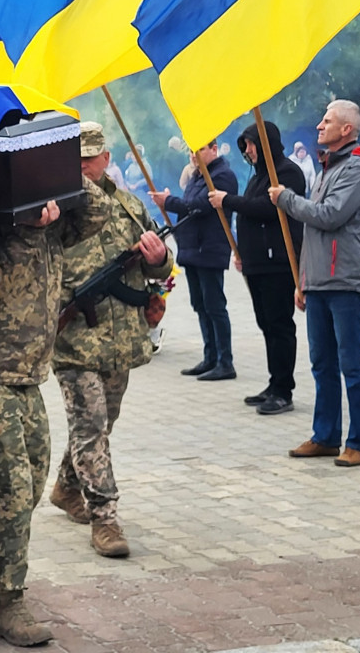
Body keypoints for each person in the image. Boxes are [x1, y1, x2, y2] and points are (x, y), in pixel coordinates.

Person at [0, 171, 110, 647]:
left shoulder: (55, 228)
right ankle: (4, 600)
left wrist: (55, 174)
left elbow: (98, 211)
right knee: (12, 489)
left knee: (33, 483)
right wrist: (15, 201)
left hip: (28, 374)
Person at [50, 123, 172, 557]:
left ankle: (67, 487)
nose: (84, 167)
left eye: (92, 158)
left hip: (119, 342)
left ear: (106, 158)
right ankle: (104, 519)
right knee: (90, 427)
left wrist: (159, 260)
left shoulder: (130, 205)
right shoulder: (55, 209)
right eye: (76, 160)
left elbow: (159, 268)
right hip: (75, 341)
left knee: (101, 426)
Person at [269, 99, 360, 468]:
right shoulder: (328, 167)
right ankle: (326, 436)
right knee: (322, 363)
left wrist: (286, 199)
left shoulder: (359, 169)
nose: (320, 125)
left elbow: (329, 216)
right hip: (320, 281)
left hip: (345, 281)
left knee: (351, 363)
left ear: (346, 129)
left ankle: (359, 442)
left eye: (328, 121)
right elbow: (312, 234)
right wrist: (303, 280)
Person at [209, 121, 305, 415]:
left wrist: (228, 201)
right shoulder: (257, 177)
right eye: (246, 146)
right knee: (266, 325)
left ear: (265, 144)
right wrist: (243, 255)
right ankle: (273, 383)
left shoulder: (286, 172)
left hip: (278, 262)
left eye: (251, 144)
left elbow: (268, 209)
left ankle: (283, 390)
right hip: (257, 263)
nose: (248, 151)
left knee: (279, 325)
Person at [150, 140, 238, 381]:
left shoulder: (222, 176)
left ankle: (225, 360)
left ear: (214, 149)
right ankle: (210, 356)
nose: (194, 154)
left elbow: (198, 207)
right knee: (200, 305)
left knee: (214, 305)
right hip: (192, 249)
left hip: (209, 248)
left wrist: (168, 202)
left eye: (199, 149)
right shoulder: (197, 176)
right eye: (191, 150)